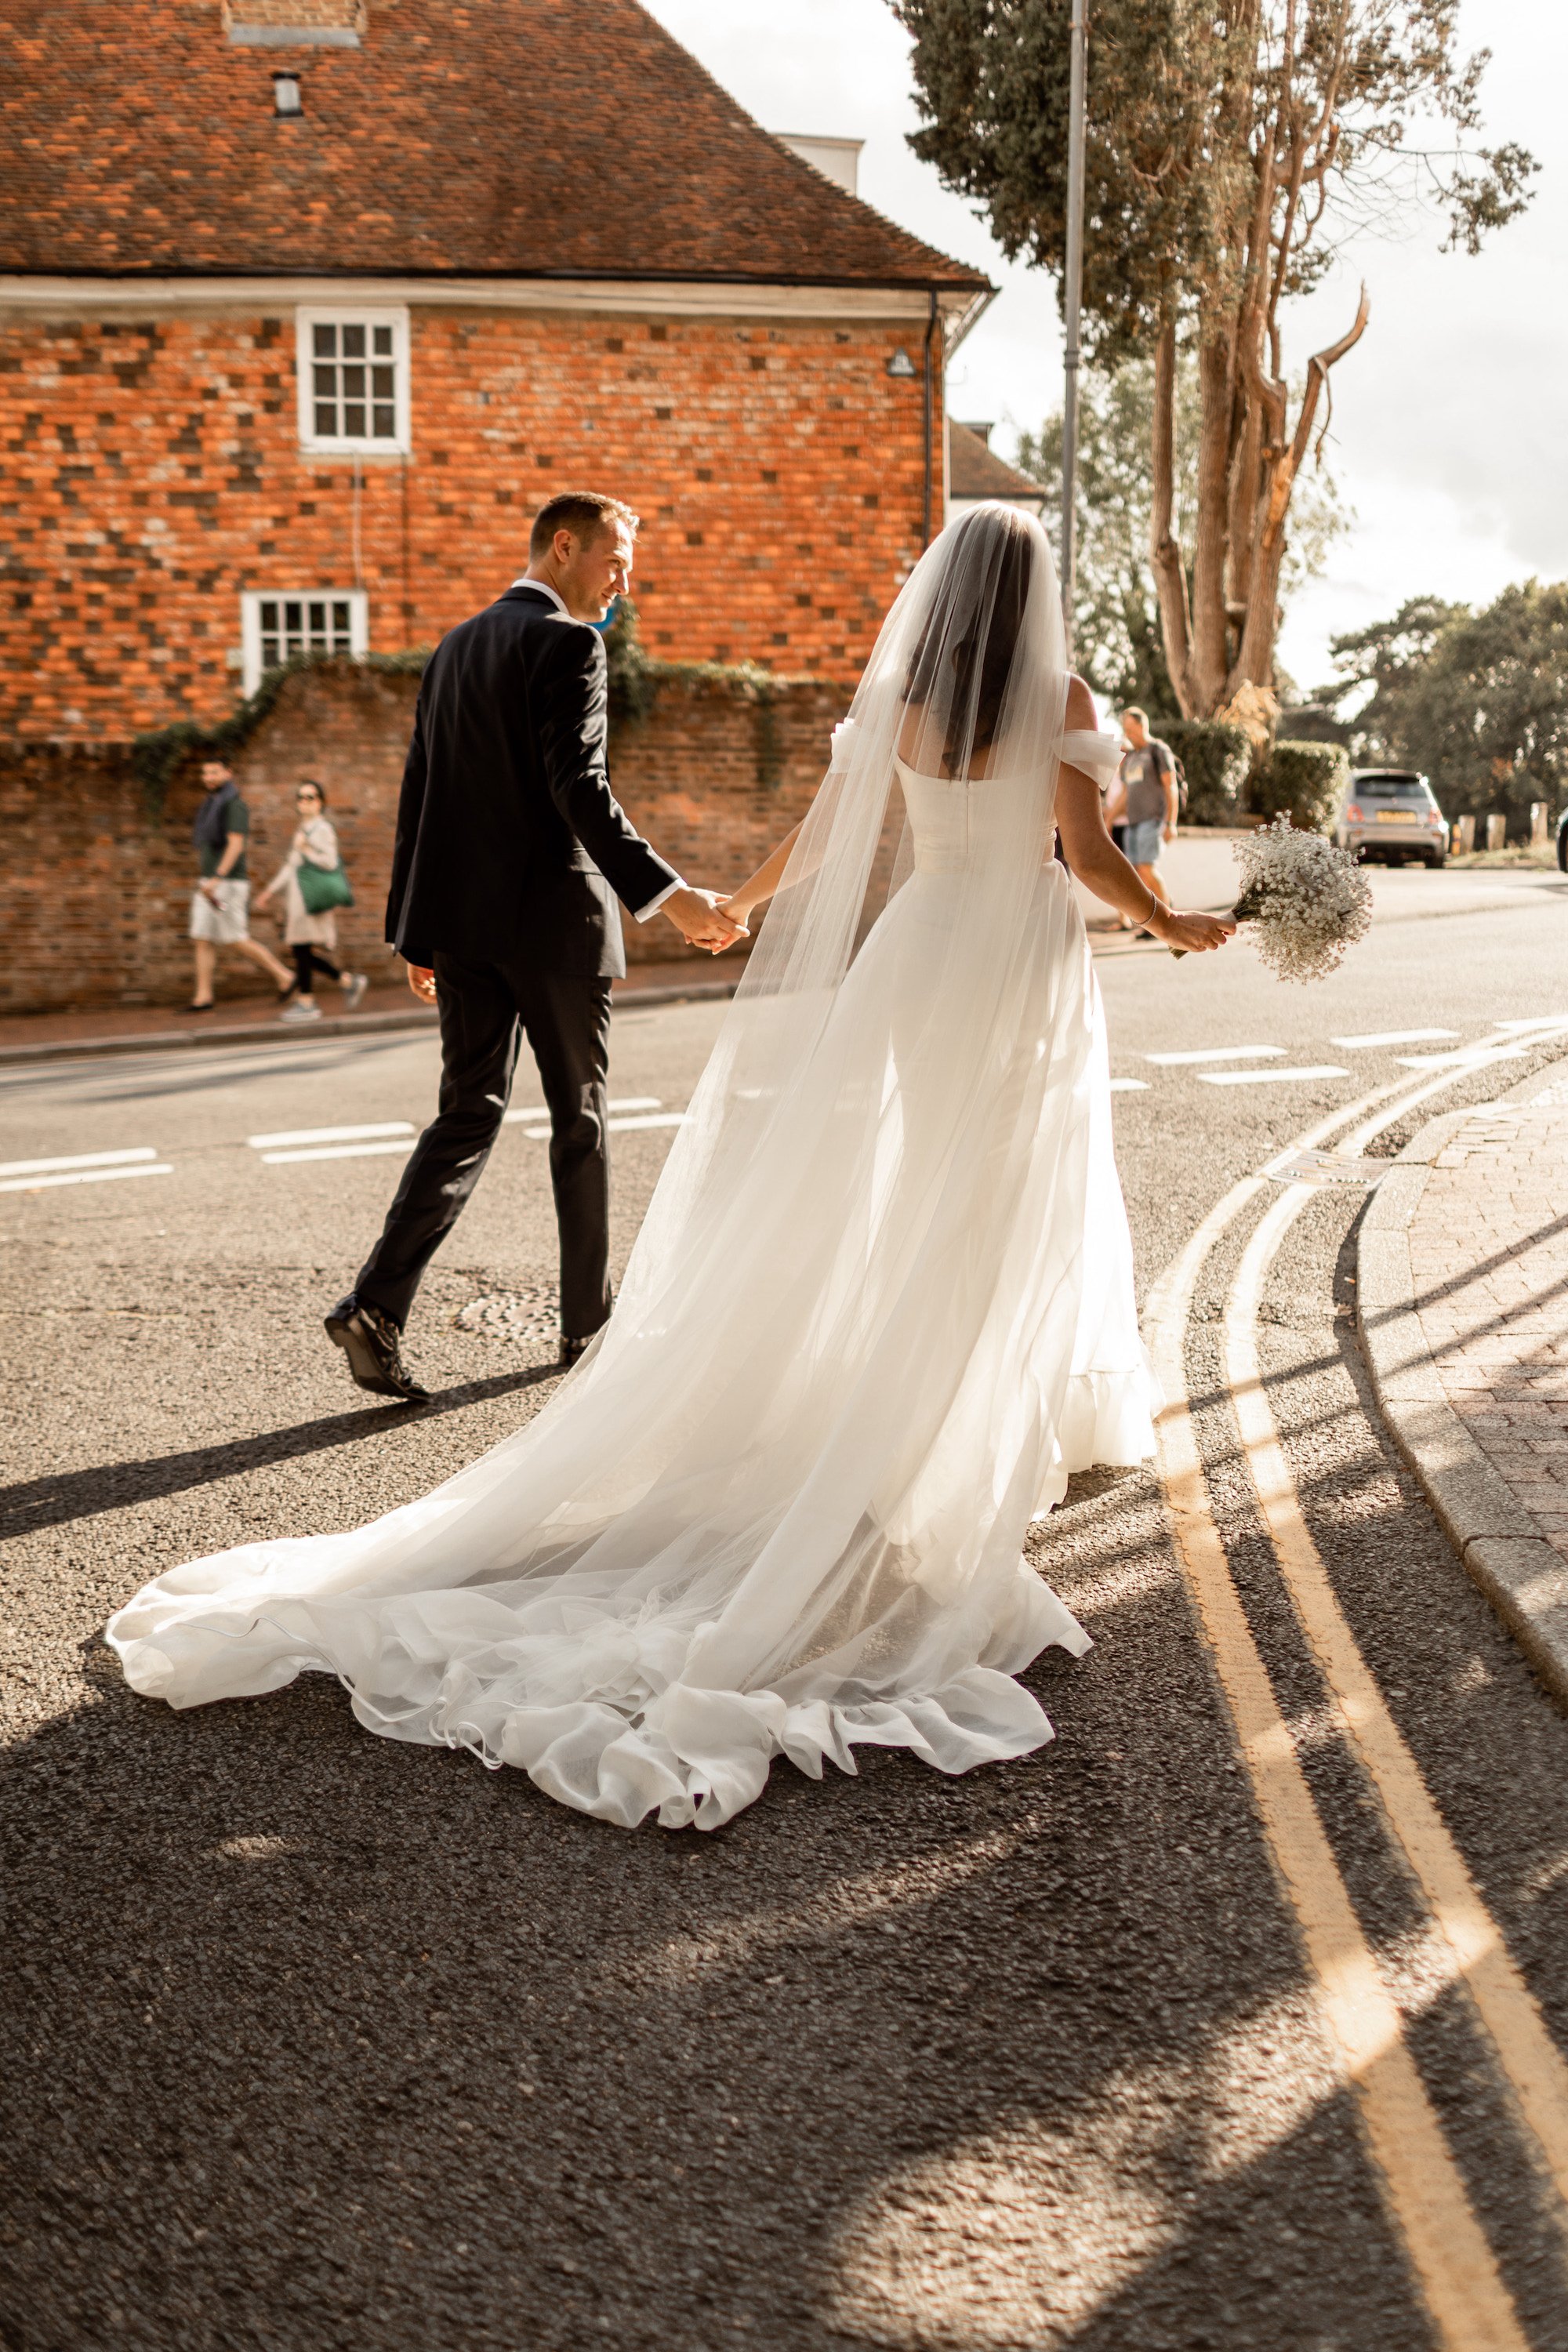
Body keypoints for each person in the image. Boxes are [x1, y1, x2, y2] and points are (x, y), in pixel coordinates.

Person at [108, 503, 1232, 1835]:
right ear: (1035, 590)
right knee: (1003, 1189)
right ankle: (981, 1424)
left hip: (919, 955)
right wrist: (1172, 921)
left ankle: (921, 1415)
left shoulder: (905, 699)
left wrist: (741, 901)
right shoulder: (1063, 695)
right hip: (1015, 957)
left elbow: (827, 835)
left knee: (922, 1187)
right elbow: (1090, 855)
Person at [321, 491, 742, 1402]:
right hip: (554, 928)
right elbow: (577, 789)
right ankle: (587, 1325)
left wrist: (414, 930)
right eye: (615, 562)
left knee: (467, 1113)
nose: (624, 584)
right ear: (563, 547)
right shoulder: (569, 643)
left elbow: (418, 795)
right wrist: (669, 899)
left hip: (462, 926)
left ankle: (376, 1305)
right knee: (579, 1121)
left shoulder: (454, 646)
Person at [254, 779, 369, 1025]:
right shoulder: (303, 829)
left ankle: (308, 1002)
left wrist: (305, 848)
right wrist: (270, 892)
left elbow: (329, 862)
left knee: (302, 949)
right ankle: (348, 982)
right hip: (298, 900)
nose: (305, 802)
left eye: (311, 797)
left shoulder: (322, 829)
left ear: (321, 802)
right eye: (301, 798)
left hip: (311, 899)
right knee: (300, 949)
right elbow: (290, 867)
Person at [187, 759, 294, 1011]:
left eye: (214, 771)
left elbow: (236, 844)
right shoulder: (212, 804)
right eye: (205, 772)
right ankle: (203, 997)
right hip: (210, 882)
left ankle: (285, 976)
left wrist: (217, 878)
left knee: (235, 938)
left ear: (228, 773)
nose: (209, 776)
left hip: (227, 883)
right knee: (202, 938)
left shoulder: (234, 805)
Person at [1113, 706, 1180, 930]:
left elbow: (1171, 787)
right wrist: (1109, 817)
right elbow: (1125, 793)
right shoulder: (1131, 757)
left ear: (1143, 726)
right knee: (1136, 876)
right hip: (1132, 823)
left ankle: (1170, 919)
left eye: (1131, 729)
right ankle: (1153, 925)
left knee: (1146, 869)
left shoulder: (1158, 750)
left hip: (1152, 820)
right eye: (1125, 730)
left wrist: (1171, 823)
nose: (1128, 734)